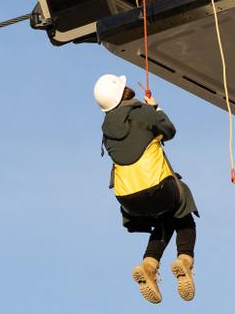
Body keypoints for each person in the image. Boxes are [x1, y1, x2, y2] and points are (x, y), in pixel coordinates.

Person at [94, 74, 199, 304]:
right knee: (184, 210)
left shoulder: (106, 131)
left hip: (128, 199)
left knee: (166, 218)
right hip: (157, 188)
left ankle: (149, 265)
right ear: (123, 92)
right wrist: (155, 108)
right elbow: (170, 130)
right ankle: (185, 260)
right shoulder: (142, 112)